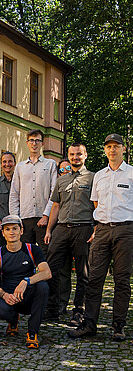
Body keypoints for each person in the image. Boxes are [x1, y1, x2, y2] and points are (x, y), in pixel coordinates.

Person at [69, 134, 133, 342]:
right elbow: (96, 203)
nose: (112, 150)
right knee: (94, 278)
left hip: (125, 231)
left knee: (121, 279)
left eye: (116, 146)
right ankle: (89, 324)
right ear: (104, 150)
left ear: (124, 149)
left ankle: (118, 325)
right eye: (109, 146)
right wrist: (100, 226)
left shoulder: (131, 174)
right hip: (103, 230)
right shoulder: (100, 175)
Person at [43, 144, 94, 325]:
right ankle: (52, 309)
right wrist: (49, 230)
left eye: (79, 154)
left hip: (84, 229)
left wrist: (96, 229)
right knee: (50, 269)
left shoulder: (93, 178)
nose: (75, 157)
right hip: (62, 229)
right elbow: (56, 206)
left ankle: (79, 311)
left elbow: (98, 205)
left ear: (85, 155)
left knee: (83, 273)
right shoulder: (61, 180)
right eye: (72, 154)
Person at [0, 215, 52, 349]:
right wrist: (5, 295)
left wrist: (26, 281)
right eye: (7, 229)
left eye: (15, 228)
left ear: (21, 231)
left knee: (43, 286)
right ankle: (13, 321)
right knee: (0, 309)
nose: (11, 232)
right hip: (9, 298)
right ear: (3, 233)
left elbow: (47, 273)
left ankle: (32, 332)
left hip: (27, 297)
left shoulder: (32, 249)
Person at [9, 129, 57, 256]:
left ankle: (45, 276)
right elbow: (14, 193)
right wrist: (16, 219)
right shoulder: (20, 166)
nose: (34, 143)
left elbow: (54, 193)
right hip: (25, 219)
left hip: (43, 218)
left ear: (42, 143)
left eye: (37, 140)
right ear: (27, 143)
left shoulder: (50, 164)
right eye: (31, 140)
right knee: (24, 253)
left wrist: (46, 215)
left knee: (45, 253)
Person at [54, 159, 73, 315]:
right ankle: (59, 304)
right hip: (59, 230)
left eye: (68, 168)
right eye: (62, 169)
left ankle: (79, 306)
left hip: (80, 230)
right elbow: (54, 206)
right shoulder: (58, 184)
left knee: (82, 271)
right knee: (61, 270)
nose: (65, 171)